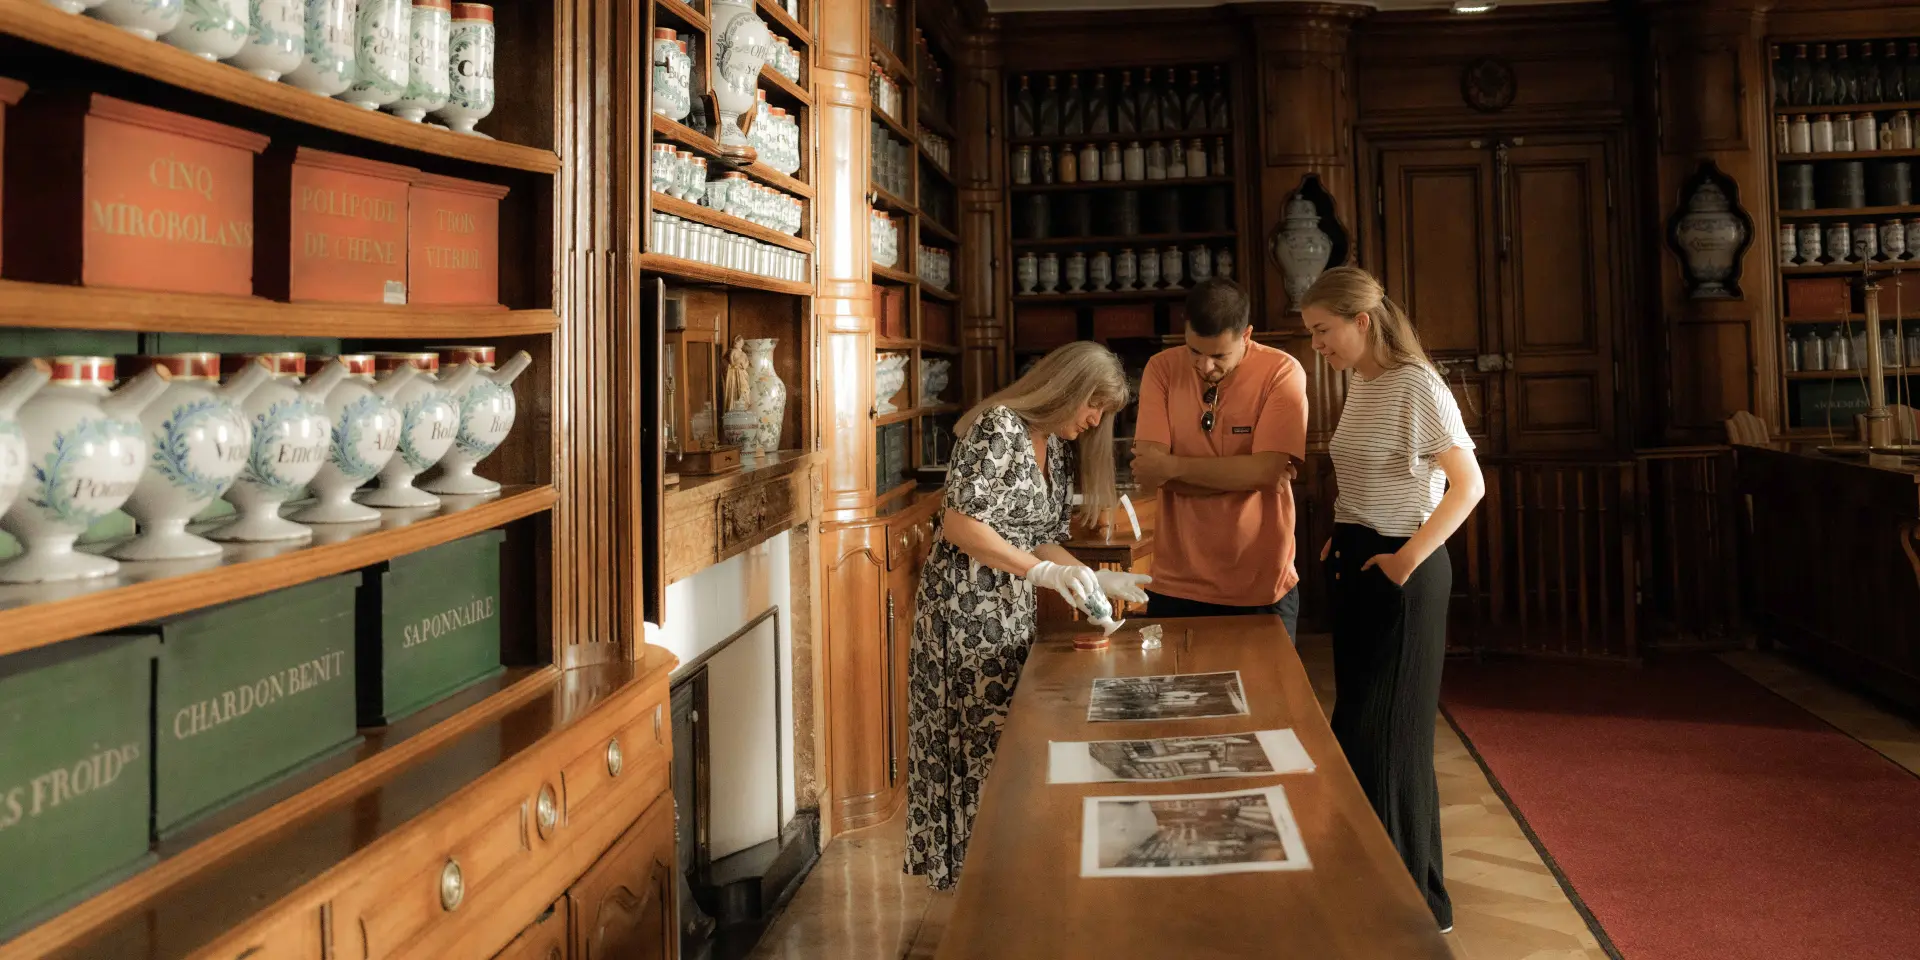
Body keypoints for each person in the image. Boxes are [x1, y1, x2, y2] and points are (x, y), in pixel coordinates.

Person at [904, 341, 1151, 890]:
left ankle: (1004, 872)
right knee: (973, 742)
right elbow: (961, 525)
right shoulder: (997, 426)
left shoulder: (1055, 447)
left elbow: (1039, 537)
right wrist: (1041, 573)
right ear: (1066, 389)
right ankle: (975, 880)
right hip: (962, 610)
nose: (1094, 421)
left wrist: (1092, 578)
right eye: (1093, 407)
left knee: (1005, 741)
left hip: (1010, 607)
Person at [1301, 266, 1485, 935]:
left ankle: (1418, 910)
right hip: (1359, 560)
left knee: (1389, 740)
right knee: (1358, 734)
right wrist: (1342, 531)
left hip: (1403, 568)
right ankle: (1372, 892)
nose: (1317, 345)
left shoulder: (1418, 385)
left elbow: (1469, 486)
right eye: (1311, 333)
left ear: (1362, 322)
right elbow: (1369, 474)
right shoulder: (1361, 381)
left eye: (1323, 331)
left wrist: (1405, 560)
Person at [1129, 278, 1309, 639]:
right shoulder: (1161, 368)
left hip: (1261, 585)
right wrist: (1245, 476)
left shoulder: (1282, 371)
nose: (1204, 365)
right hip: (1175, 584)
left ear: (1247, 335)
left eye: (1219, 356)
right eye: (1194, 351)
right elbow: (1148, 473)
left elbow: (1267, 471)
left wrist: (1174, 468)